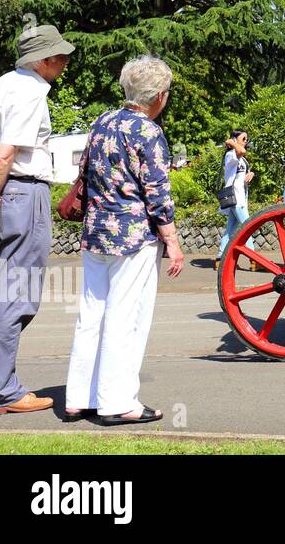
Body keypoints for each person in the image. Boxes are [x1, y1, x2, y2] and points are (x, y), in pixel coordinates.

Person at [65, 56, 184, 425]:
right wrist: (174, 242)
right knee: (126, 318)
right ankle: (117, 402)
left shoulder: (102, 122)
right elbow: (158, 194)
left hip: (96, 233)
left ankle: (79, 396)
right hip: (133, 237)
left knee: (92, 315)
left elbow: (84, 173)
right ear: (159, 96)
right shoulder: (148, 132)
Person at [0, 25, 75, 416]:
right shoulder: (30, 92)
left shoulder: (1, 85)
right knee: (15, 293)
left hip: (2, 190)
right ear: (42, 60)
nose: (65, 62)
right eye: (59, 56)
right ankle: (3, 391)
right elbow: (5, 155)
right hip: (22, 191)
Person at [218, 130, 254, 260]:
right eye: (243, 138)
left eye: (247, 139)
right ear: (234, 139)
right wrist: (232, 144)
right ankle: (254, 258)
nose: (246, 141)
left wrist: (250, 175)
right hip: (235, 197)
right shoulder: (230, 154)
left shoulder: (241, 158)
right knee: (248, 226)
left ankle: (220, 257)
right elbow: (241, 151)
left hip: (240, 197)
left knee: (230, 230)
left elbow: (239, 176)